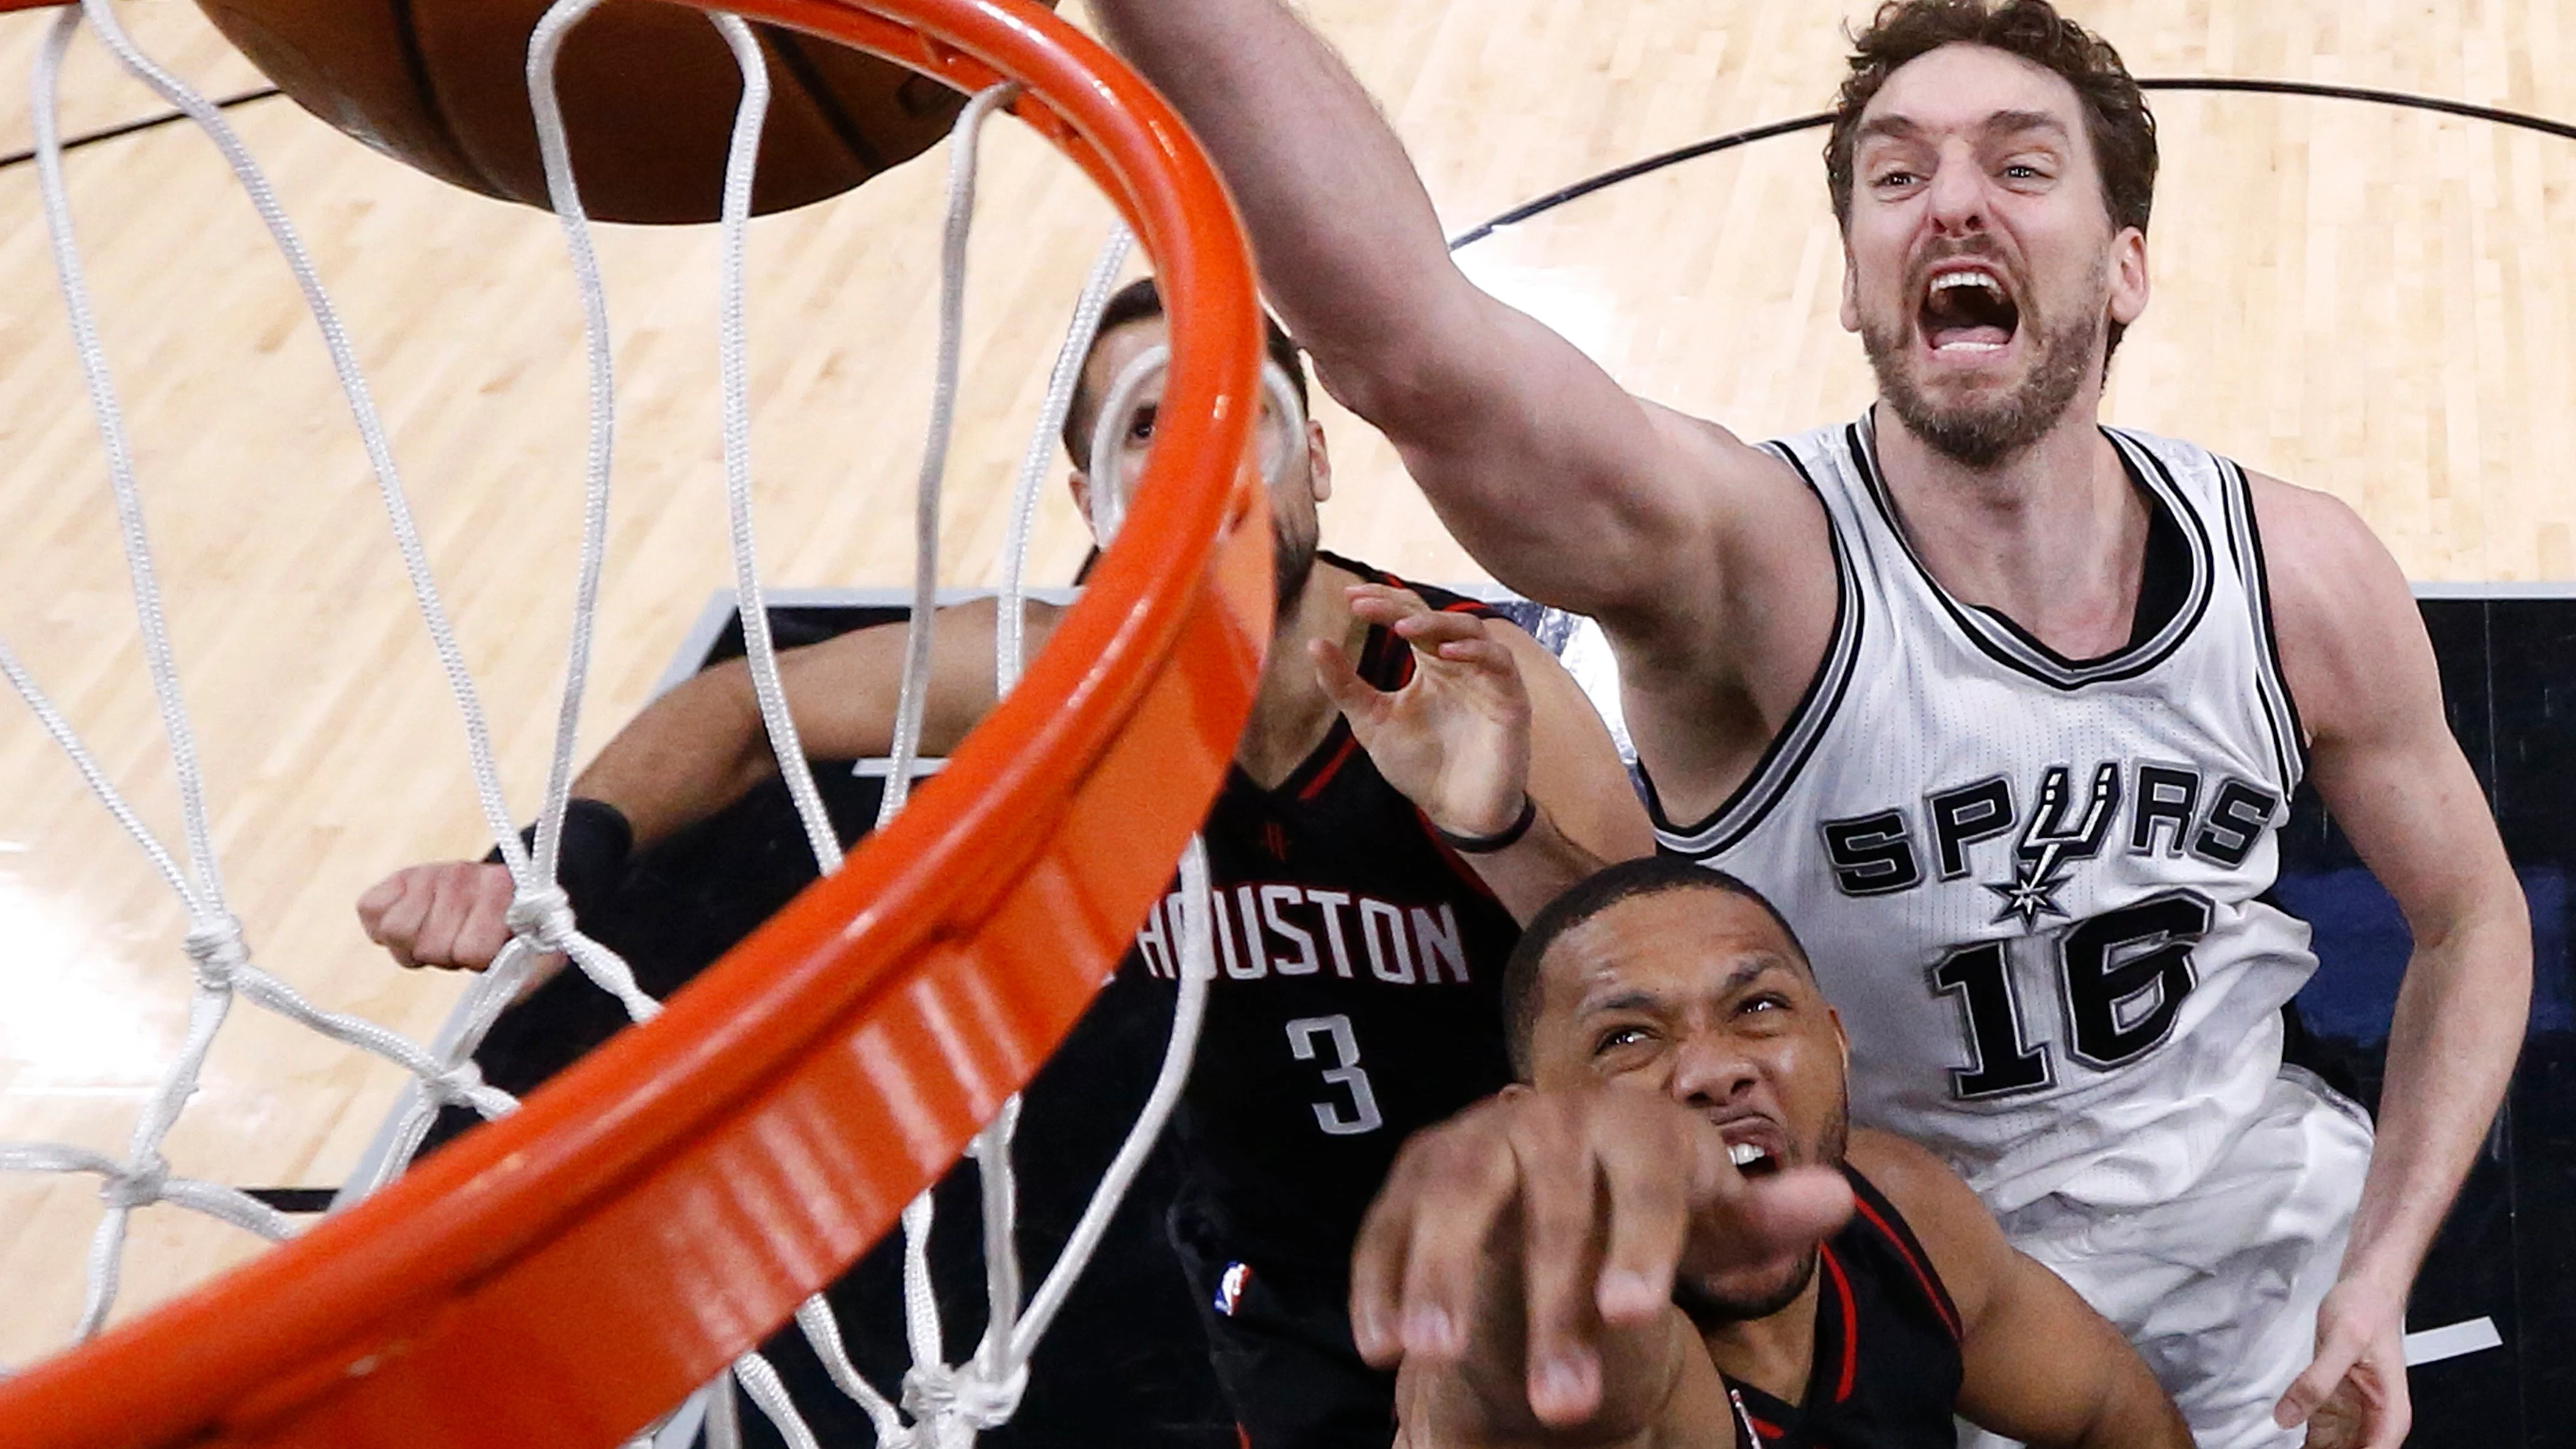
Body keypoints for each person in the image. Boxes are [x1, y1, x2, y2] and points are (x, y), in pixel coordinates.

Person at [1078, 2, 2534, 1445]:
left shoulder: (2297, 571)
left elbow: (2472, 914)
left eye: (2019, 167)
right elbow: (1409, 347)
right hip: (1889, 1277)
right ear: (1852, 279)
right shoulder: (1743, 566)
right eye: (1897, 176)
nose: (1952, 199)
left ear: (2127, 266)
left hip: (2269, 1271)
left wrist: (2385, 1260)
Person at [356, 277, 1653, 1449]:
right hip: (1276, 1264)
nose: (1202, 448)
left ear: (1311, 452)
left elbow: (1654, 986)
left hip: (1529, 1227)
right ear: (1094, 501)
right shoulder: (1057, 668)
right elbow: (746, 708)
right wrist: (544, 867)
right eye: (1149, 424)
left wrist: (1497, 831)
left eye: (1237, 409)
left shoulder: (1475, 678)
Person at [1352, 855, 2212, 1449]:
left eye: (1756, 1007)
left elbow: (2114, 1413)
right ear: (1536, 1114)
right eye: (1624, 1039)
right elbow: (1531, 1393)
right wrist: (1520, 1233)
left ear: (1837, 1043)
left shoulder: (1905, 1214)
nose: (1714, 1068)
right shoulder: (1569, 1349)